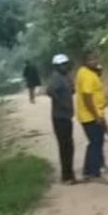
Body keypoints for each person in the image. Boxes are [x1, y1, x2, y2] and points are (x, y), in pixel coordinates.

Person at [76, 51, 108, 184]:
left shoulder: (85, 72)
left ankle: (87, 171)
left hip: (91, 114)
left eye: (96, 59)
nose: (94, 61)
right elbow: (87, 98)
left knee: (94, 143)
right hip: (90, 116)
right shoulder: (87, 75)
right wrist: (96, 116)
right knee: (96, 143)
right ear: (85, 61)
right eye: (91, 59)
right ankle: (95, 174)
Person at [48, 54, 76, 184]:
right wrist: (62, 104)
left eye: (66, 64)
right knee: (65, 146)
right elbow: (50, 91)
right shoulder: (56, 78)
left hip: (66, 116)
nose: (65, 66)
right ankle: (66, 176)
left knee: (69, 146)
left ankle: (69, 173)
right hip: (60, 117)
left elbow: (72, 90)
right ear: (57, 66)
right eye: (62, 65)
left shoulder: (64, 77)